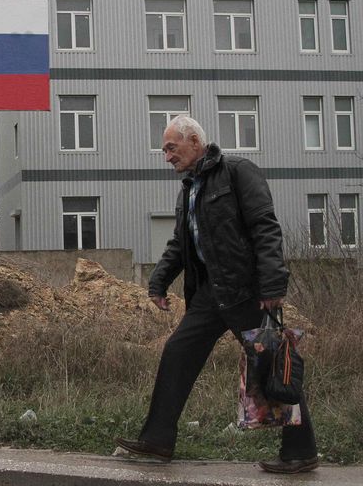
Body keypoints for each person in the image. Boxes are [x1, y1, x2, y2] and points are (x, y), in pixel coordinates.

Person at [115, 116, 318, 474]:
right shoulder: (189, 188)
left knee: (273, 364)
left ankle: (300, 451)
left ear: (194, 141)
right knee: (178, 352)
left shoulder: (238, 171)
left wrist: (273, 284)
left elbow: (265, 226)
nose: (166, 157)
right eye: (165, 150)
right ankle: (157, 439)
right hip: (210, 295)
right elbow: (181, 243)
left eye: (171, 148)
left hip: (247, 292)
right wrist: (158, 283)